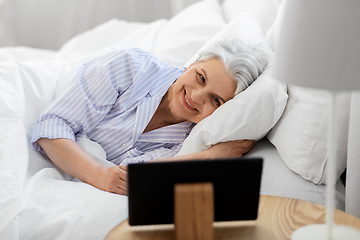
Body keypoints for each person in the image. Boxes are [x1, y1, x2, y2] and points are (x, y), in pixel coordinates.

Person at [31, 38, 269, 196]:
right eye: (201, 77)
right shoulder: (131, 66)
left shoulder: (188, 142)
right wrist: (100, 175)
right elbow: (52, 125)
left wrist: (211, 156)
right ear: (192, 64)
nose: (196, 97)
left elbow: (136, 179)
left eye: (216, 100)